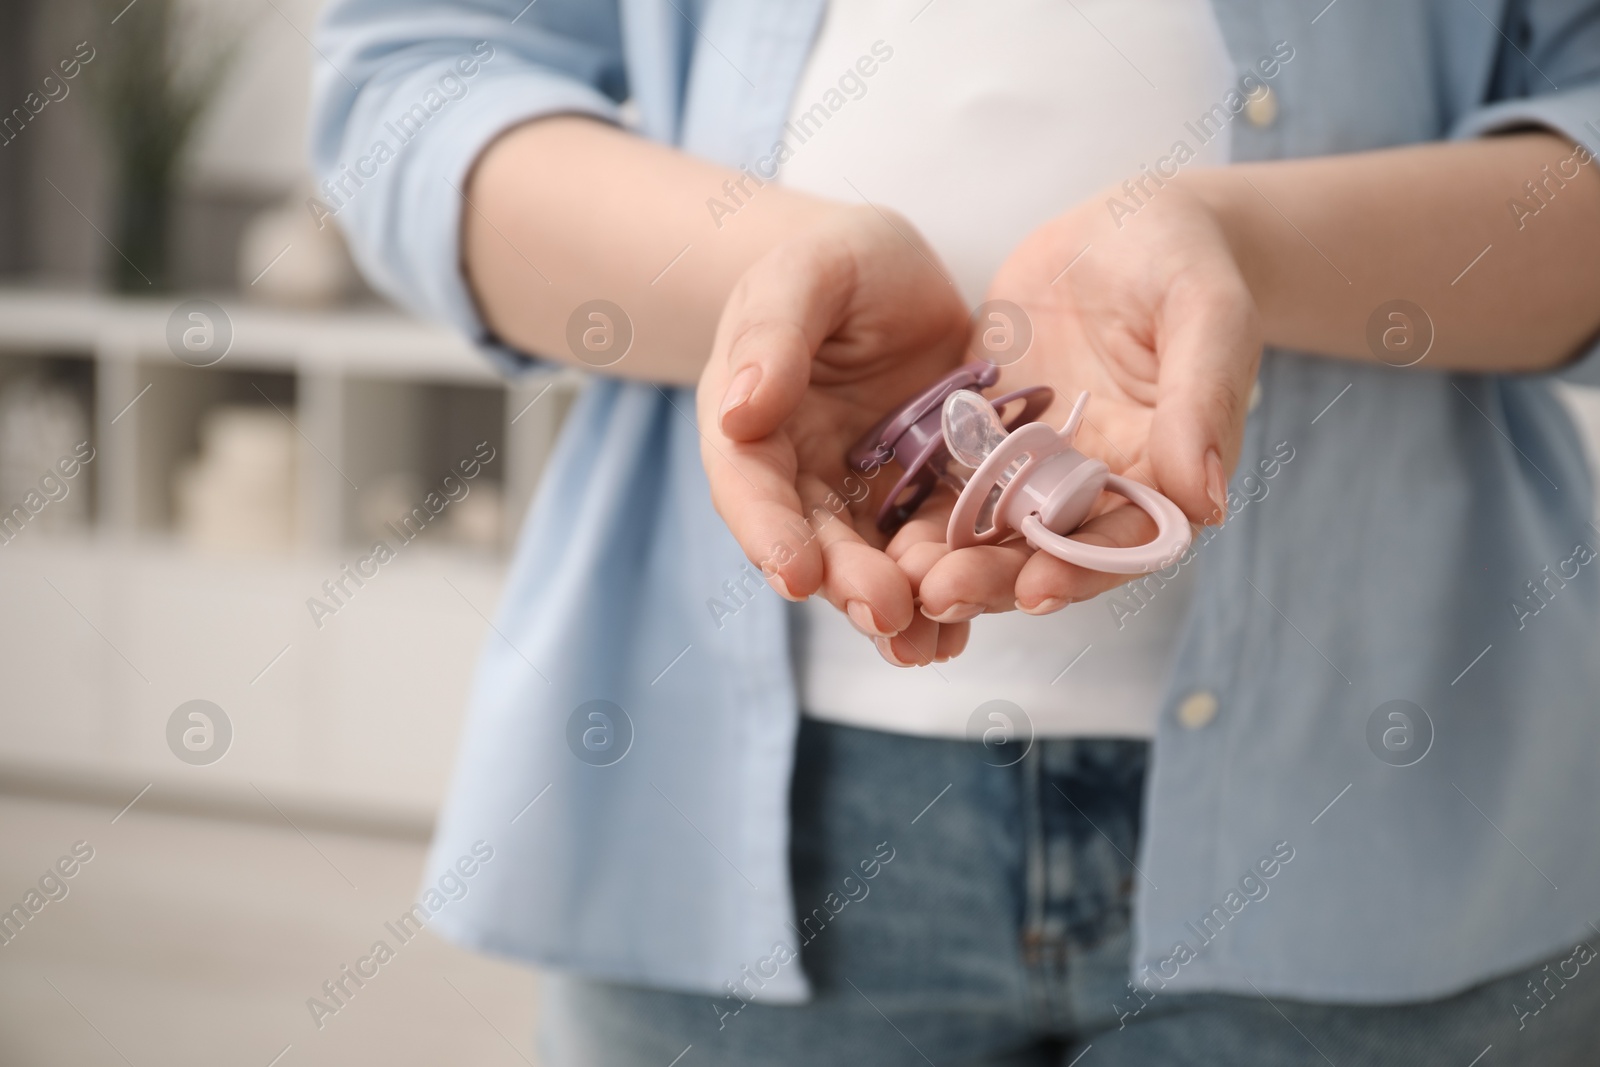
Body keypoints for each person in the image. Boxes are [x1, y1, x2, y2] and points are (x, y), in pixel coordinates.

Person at [312, 1, 1600, 1063]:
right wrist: (778, 275)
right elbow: (411, 88)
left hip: (1398, 808)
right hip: (738, 829)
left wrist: (1241, 247)